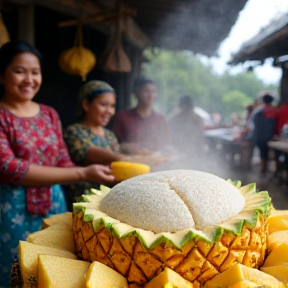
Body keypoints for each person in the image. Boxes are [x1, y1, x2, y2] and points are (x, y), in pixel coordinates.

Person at [0, 41, 114, 287]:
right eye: (20, 71)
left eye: (35, 72)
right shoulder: (1, 115)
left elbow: (62, 158)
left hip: (54, 204)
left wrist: (95, 173)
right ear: (2, 75)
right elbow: (8, 167)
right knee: (15, 273)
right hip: (10, 212)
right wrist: (82, 172)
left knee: (53, 271)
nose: (29, 79)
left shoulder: (49, 114)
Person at [63, 80, 122, 209]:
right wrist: (122, 158)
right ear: (86, 104)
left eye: (112, 106)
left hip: (108, 202)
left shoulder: (109, 135)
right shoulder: (73, 131)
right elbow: (86, 153)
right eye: (103, 105)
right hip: (81, 201)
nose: (110, 111)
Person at [113, 76, 172, 155]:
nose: (151, 95)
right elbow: (112, 146)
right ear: (136, 92)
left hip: (158, 163)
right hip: (131, 164)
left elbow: (167, 144)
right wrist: (125, 147)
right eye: (146, 91)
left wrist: (168, 150)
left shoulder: (161, 119)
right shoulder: (122, 117)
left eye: (154, 92)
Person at [168, 95, 205, 164]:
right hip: (178, 151)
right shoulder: (175, 118)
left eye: (186, 107)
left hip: (194, 152)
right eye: (183, 106)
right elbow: (170, 136)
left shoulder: (197, 118)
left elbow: (200, 137)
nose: (184, 109)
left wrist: (200, 152)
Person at [252, 93, 277, 174]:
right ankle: (265, 171)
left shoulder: (258, 111)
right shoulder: (273, 111)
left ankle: (263, 171)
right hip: (267, 137)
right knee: (266, 154)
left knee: (263, 154)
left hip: (258, 136)